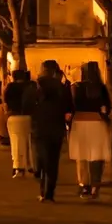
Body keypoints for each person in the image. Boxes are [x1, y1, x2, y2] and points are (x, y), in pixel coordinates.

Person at [28, 60, 73, 202]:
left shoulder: (36, 86)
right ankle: (49, 193)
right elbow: (69, 109)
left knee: (41, 157)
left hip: (40, 127)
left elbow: (28, 105)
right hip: (56, 128)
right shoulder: (63, 87)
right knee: (53, 161)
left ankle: (41, 184)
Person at [68, 62, 112, 199]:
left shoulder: (76, 87)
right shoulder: (101, 88)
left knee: (82, 156)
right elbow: (107, 108)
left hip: (79, 123)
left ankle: (84, 185)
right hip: (97, 123)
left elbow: (71, 106)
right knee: (96, 157)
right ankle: (95, 186)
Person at [3, 70, 36, 177]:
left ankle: (18, 167)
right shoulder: (31, 86)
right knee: (29, 141)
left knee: (16, 141)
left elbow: (6, 101)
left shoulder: (10, 87)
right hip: (29, 116)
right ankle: (30, 165)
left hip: (14, 116)